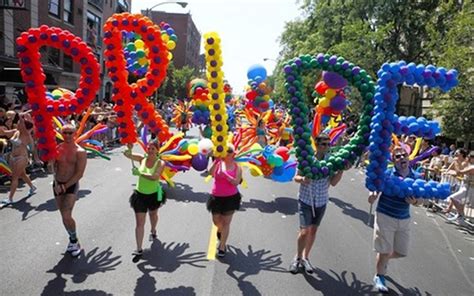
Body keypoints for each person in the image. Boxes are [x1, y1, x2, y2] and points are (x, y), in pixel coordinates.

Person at [289, 134, 348, 274]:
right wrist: (303, 179)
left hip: (321, 201)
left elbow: (333, 182)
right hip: (305, 200)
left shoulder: (331, 161)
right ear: (316, 145)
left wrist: (341, 171)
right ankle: (297, 258)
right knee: (304, 232)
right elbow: (295, 177)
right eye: (323, 144)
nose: (327, 147)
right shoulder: (307, 159)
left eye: (328, 144)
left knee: (313, 231)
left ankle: (305, 257)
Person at [368, 146, 423, 293]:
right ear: (394, 160)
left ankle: (383, 260)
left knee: (401, 252)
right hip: (385, 214)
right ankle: (379, 276)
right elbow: (376, 188)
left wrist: (415, 202)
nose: (401, 158)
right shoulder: (387, 174)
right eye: (397, 157)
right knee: (384, 250)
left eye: (403, 155)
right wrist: (372, 195)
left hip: (404, 218)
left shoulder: (416, 177)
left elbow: (422, 199)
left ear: (408, 157)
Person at [123, 140, 165, 262]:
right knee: (139, 223)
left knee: (153, 215)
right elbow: (127, 155)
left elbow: (155, 177)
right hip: (139, 195)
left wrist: (140, 173)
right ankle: (139, 248)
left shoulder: (160, 163)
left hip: (153, 195)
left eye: (153, 149)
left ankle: (153, 230)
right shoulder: (142, 159)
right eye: (149, 148)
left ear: (157, 150)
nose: (150, 151)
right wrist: (128, 147)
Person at [53, 124, 87, 257]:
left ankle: (74, 241)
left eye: (70, 133)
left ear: (75, 134)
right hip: (58, 184)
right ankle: (72, 240)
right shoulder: (57, 149)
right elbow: (54, 168)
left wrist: (65, 186)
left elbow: (79, 173)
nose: (67, 135)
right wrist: (56, 183)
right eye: (65, 133)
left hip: (71, 185)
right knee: (64, 216)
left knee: (67, 215)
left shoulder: (80, 152)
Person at [207, 143, 242, 258]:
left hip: (231, 198)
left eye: (229, 151)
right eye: (225, 151)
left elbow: (236, 182)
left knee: (226, 222)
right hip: (216, 197)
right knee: (216, 221)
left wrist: (226, 175)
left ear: (233, 154)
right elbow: (210, 173)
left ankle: (222, 246)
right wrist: (216, 161)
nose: (226, 153)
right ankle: (220, 231)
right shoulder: (218, 163)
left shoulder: (237, 167)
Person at [0, 114, 37, 206]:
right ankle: (32, 187)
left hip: (21, 158)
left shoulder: (26, 134)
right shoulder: (16, 132)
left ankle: (10, 198)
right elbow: (4, 133)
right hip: (13, 157)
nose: (17, 124)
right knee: (22, 174)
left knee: (15, 177)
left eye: (19, 123)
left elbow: (23, 123)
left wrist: (21, 115)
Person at [442, 149, 471, 224]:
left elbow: (459, 172)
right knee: (460, 202)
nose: (468, 158)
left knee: (453, 197)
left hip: (469, 188)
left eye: (470, 157)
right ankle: (460, 218)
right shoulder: (469, 165)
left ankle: (461, 215)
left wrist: (456, 162)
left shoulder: (470, 166)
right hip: (464, 185)